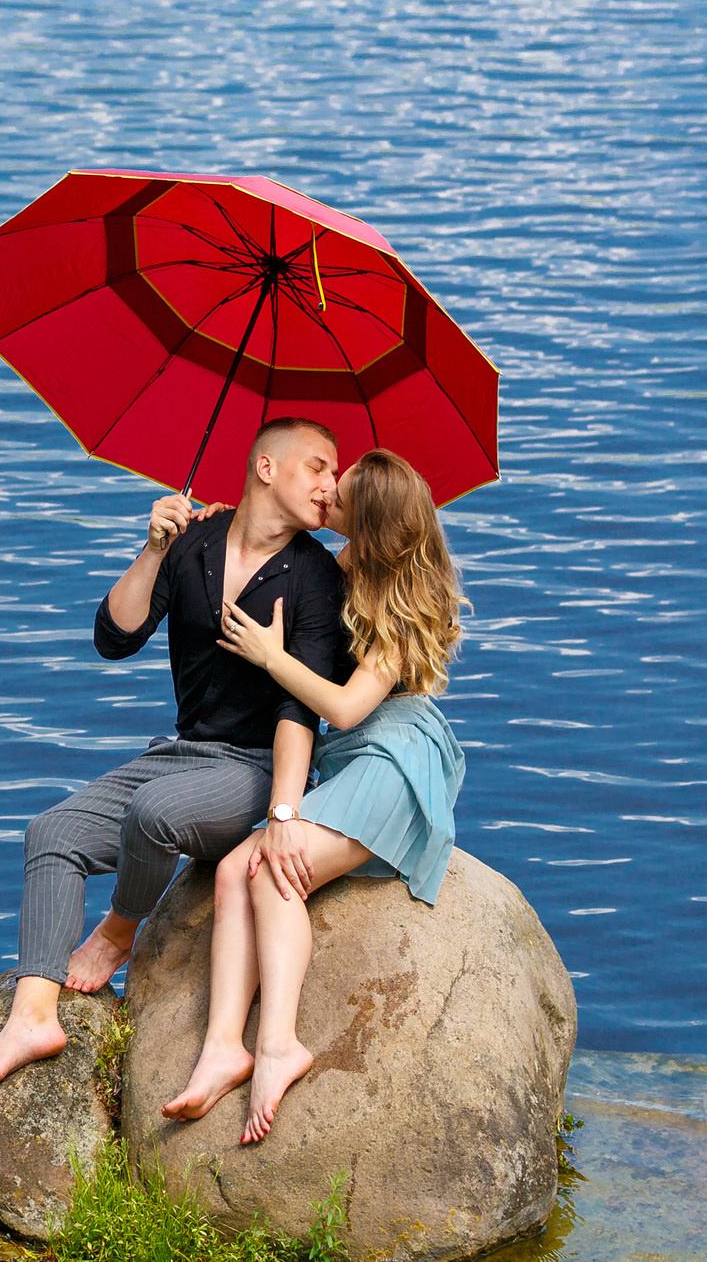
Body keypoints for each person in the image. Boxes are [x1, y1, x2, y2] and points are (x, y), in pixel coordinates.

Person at [0, 418, 349, 1091]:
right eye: (317, 466)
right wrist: (151, 548)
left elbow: (299, 711)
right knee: (50, 833)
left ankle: (117, 930)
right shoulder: (194, 541)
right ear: (265, 467)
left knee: (153, 812)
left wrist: (284, 808)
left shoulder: (314, 576)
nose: (329, 484)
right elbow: (115, 636)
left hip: (251, 768)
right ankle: (33, 1015)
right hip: (181, 751)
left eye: (334, 473)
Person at [158, 447, 468, 1143]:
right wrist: (215, 524)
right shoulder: (343, 563)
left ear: (373, 519)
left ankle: (278, 1044)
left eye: (342, 490)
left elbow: (350, 707)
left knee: (275, 872)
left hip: (394, 761)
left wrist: (273, 657)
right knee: (239, 866)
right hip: (358, 760)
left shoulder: (405, 602)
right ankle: (221, 1046)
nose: (327, 492)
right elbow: (271, 537)